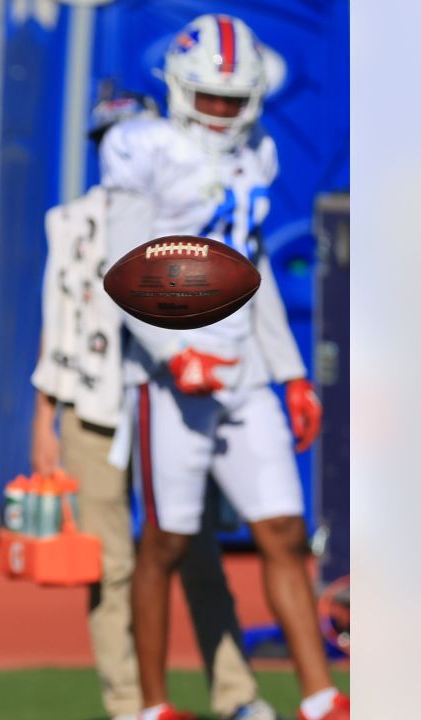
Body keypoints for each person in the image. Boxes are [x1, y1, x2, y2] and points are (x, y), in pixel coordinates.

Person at [99, 15, 347, 720]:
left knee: (284, 533)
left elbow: (253, 263)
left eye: (234, 101)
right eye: (209, 98)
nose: (222, 113)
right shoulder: (140, 146)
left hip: (241, 372)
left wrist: (290, 370)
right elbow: (120, 270)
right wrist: (180, 352)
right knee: (168, 542)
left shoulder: (256, 152)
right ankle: (151, 703)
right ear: (178, 88)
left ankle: (320, 694)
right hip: (170, 378)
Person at [30, 89, 281, 720]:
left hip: (169, 398)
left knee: (196, 555)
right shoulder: (70, 220)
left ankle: (236, 694)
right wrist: (45, 418)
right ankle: (130, 703)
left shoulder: (187, 210)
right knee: (111, 565)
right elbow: (58, 319)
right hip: (94, 405)